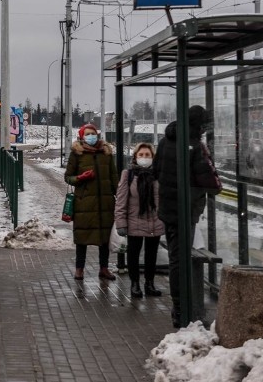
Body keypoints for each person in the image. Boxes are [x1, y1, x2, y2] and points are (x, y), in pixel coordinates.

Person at [154, 105, 222, 328]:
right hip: (186, 210)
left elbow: (156, 171)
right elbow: (211, 182)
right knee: (180, 259)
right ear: (197, 125)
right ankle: (182, 309)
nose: (204, 130)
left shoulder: (165, 141)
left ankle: (178, 307)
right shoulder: (195, 147)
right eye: (203, 125)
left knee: (176, 258)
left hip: (167, 209)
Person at [64, 123, 118, 281]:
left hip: (105, 203)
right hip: (84, 204)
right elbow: (68, 177)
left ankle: (104, 268)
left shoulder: (106, 153)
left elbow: (114, 177)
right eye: (87, 134)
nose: (91, 136)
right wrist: (80, 178)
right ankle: (79, 269)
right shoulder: (77, 154)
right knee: (82, 237)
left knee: (104, 237)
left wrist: (119, 197)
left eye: (93, 133)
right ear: (82, 137)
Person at [115, 142, 164, 299]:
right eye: (141, 155)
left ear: (153, 157)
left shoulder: (158, 175)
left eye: (147, 155)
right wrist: (121, 223)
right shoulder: (128, 175)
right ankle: (135, 284)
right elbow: (121, 201)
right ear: (135, 157)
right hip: (134, 221)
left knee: (151, 254)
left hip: (155, 221)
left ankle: (149, 283)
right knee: (134, 254)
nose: (144, 158)